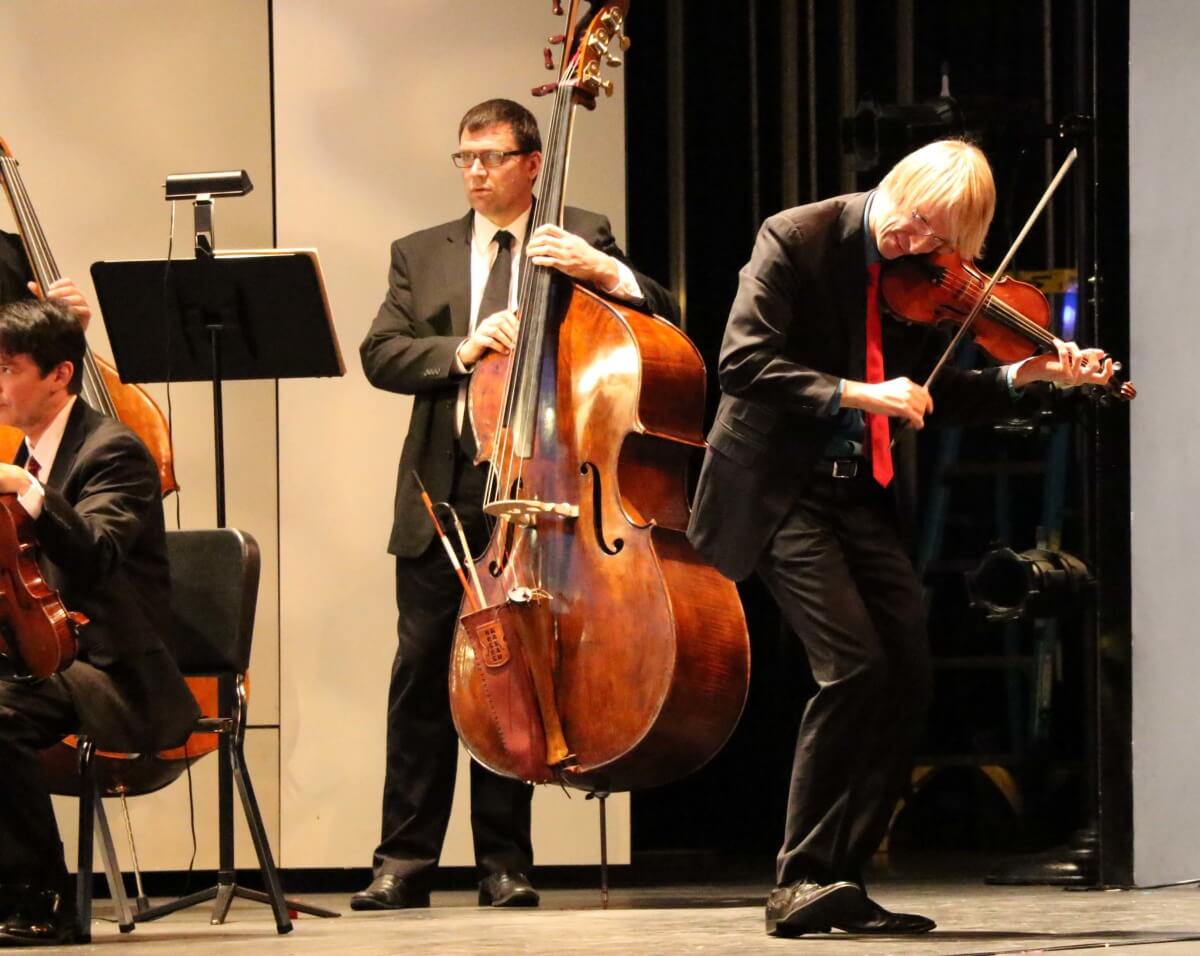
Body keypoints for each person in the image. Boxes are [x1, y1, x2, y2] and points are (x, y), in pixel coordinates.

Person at [686, 139, 1113, 938]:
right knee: (853, 665)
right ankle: (799, 879)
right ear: (894, 184)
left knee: (908, 675)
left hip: (861, 492)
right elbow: (742, 363)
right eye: (912, 221)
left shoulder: (924, 279)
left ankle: (842, 878)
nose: (913, 244)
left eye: (937, 240)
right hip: (780, 490)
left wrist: (1032, 375)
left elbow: (934, 396)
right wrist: (858, 392)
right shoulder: (797, 236)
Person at [356, 98, 677, 911]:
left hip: (542, 487)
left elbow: (661, 313)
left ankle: (504, 863)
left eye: (491, 157)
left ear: (533, 164)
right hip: (446, 490)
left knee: (517, 673)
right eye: (464, 158)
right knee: (422, 676)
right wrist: (461, 349)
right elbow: (381, 353)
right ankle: (403, 861)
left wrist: (603, 271)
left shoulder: (581, 232)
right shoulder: (419, 252)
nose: (475, 172)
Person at [0, 297, 199, 946]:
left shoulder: (114, 452)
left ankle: (42, 900)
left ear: (59, 374)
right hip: (46, 663)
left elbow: (96, 554)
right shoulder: (26, 455)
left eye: (7, 369)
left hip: (118, 677)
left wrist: (27, 490)